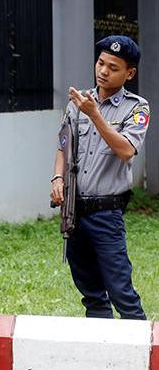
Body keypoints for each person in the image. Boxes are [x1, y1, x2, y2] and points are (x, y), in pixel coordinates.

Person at [50, 35, 148, 320]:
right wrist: (57, 178)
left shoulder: (136, 107)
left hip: (107, 212)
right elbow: (63, 145)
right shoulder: (78, 102)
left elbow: (126, 150)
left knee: (121, 292)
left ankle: (143, 357)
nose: (103, 71)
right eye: (101, 63)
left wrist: (94, 115)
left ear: (129, 73)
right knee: (91, 293)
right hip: (75, 211)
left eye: (113, 67)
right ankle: (101, 354)